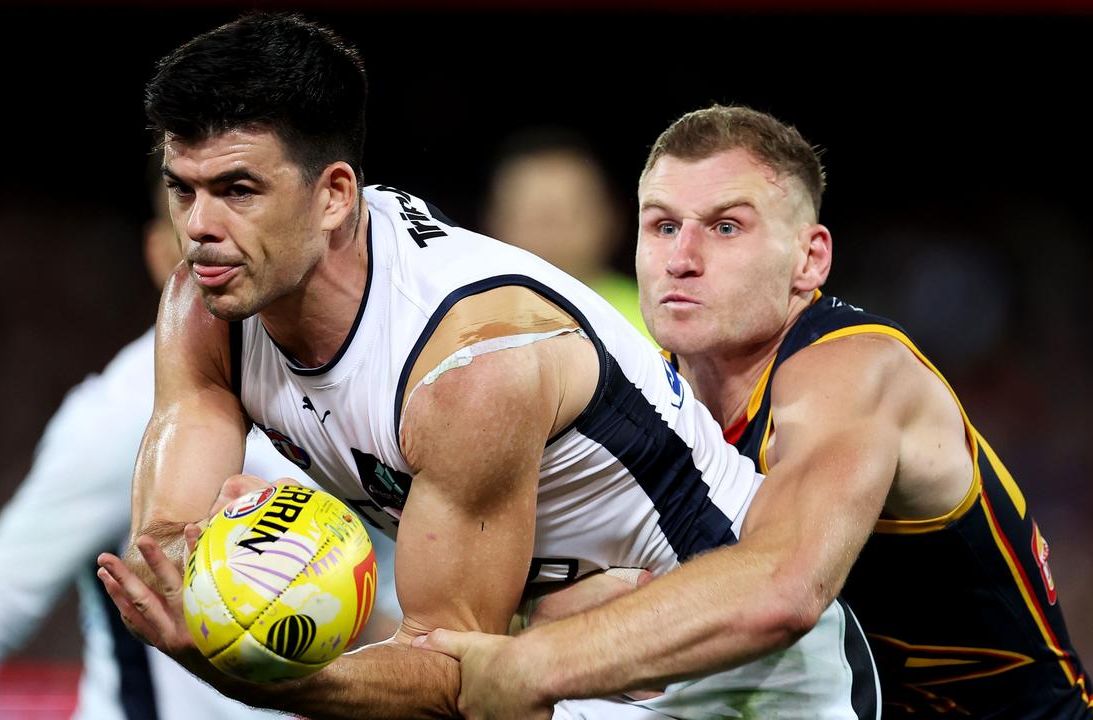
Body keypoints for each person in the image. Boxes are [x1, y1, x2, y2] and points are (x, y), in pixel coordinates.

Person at [94, 13, 877, 720]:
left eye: (237, 190)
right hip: (557, 666)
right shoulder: (207, 300)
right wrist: (188, 576)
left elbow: (452, 678)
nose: (199, 227)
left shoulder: (472, 362)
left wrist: (244, 663)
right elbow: (165, 542)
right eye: (182, 189)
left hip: (744, 679)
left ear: (334, 196)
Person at [420, 105, 1093, 719]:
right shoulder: (651, 394)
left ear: (810, 259)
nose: (680, 259)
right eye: (662, 225)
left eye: (725, 226)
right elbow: (568, 602)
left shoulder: (855, 369)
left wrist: (534, 663)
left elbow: (782, 588)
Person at [0, 162, 400, 720]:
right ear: (162, 255)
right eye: (194, 233)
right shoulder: (117, 415)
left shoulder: (335, 385)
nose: (218, 244)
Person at [484, 129, 650, 339]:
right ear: (494, 224)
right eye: (533, 217)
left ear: (611, 219)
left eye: (568, 215)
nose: (551, 234)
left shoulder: (653, 320)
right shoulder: (456, 322)